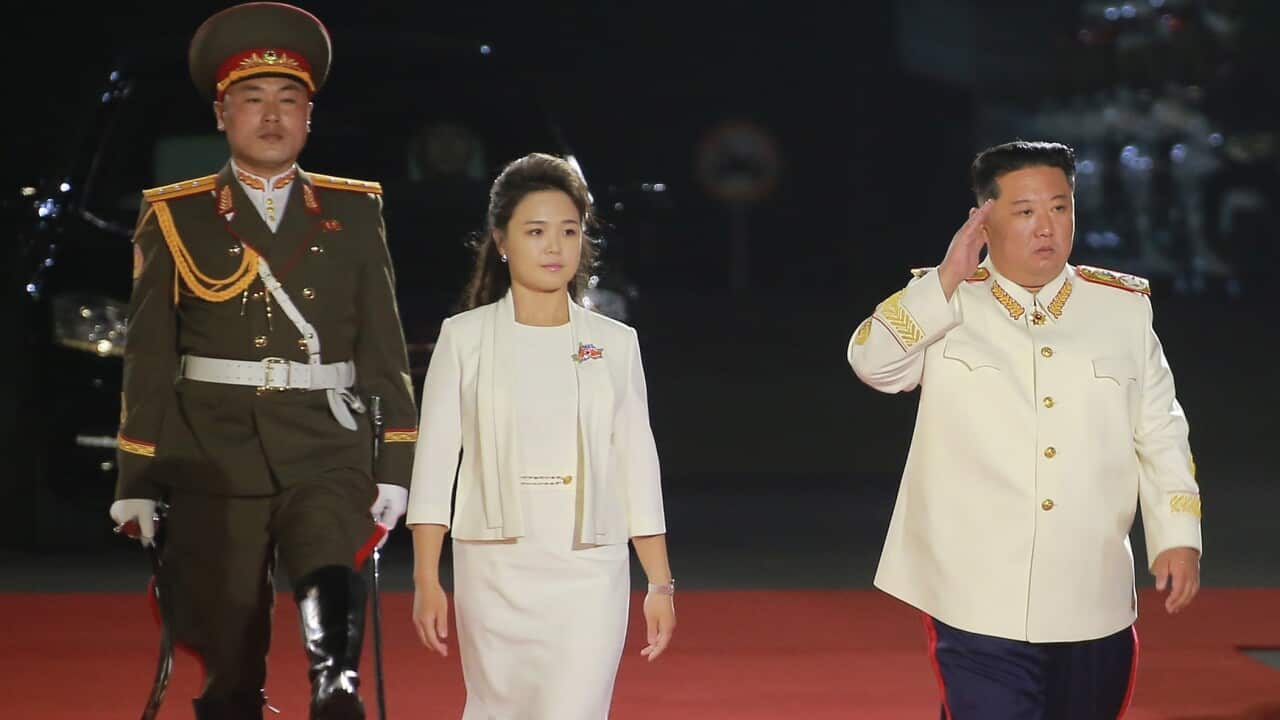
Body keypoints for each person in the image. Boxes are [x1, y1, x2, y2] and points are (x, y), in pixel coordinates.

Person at [107, 4, 418, 718]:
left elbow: (384, 347)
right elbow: (149, 357)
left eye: (289, 100)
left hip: (326, 438)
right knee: (231, 656)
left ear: (310, 116)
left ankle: (336, 687)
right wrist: (137, 477)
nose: (272, 116)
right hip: (213, 449)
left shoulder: (354, 211)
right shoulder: (175, 215)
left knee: (327, 557)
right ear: (222, 115)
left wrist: (397, 463)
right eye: (253, 99)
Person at [847, 140, 1203, 718]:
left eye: (1060, 208)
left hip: (1091, 589)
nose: (1046, 227)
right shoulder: (946, 301)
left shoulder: (1122, 309)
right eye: (1025, 211)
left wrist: (1178, 534)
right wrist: (947, 276)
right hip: (974, 590)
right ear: (983, 220)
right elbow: (872, 364)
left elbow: (1160, 429)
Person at [406, 153, 676, 718]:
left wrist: (660, 582)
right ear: (501, 241)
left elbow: (637, 463)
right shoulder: (464, 339)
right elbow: (433, 466)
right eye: (536, 231)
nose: (554, 246)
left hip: (590, 567)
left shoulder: (615, 343)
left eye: (568, 231)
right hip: (494, 568)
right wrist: (426, 577)